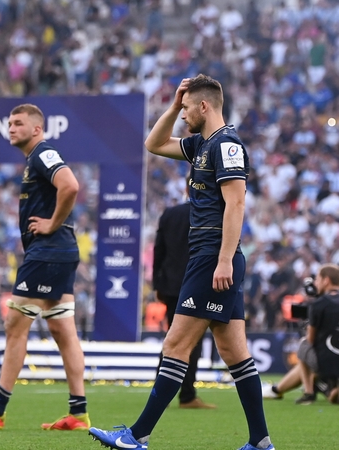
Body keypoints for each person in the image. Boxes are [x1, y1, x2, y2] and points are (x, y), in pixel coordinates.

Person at [89, 75, 274, 450]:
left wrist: (223, 259)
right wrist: (173, 105)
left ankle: (136, 436)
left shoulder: (227, 145)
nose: (184, 115)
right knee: (234, 352)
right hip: (210, 258)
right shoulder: (202, 145)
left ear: (204, 106)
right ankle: (260, 441)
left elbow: (237, 204)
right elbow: (153, 143)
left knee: (174, 344)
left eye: (188, 108)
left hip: (212, 259)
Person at [0, 103, 90, 431]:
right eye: (9, 123)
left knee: (15, 325)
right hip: (61, 252)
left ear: (37, 129)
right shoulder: (35, 159)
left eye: (18, 123)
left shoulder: (43, 153)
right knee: (63, 330)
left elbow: (70, 185)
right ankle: (78, 413)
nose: (11, 128)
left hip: (48, 251)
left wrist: (51, 224)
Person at [153, 200, 216, 409]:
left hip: (171, 286)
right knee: (192, 340)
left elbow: (158, 250)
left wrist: (158, 284)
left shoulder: (170, 213)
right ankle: (187, 395)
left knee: (173, 337)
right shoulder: (209, 211)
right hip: (197, 283)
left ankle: (159, 389)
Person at [264, 264, 339, 405]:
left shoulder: (319, 304)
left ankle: (308, 392)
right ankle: (332, 388)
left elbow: (311, 339)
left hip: (327, 361)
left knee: (305, 345)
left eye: (317, 279)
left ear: (326, 280)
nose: (315, 283)